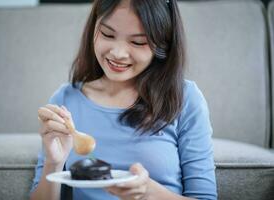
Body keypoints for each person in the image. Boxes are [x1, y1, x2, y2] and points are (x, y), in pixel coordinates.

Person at [30, 0, 217, 199]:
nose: (118, 53)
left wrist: (149, 193)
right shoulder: (66, 99)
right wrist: (54, 162)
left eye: (138, 42)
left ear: (163, 44)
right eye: (107, 34)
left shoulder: (185, 98)